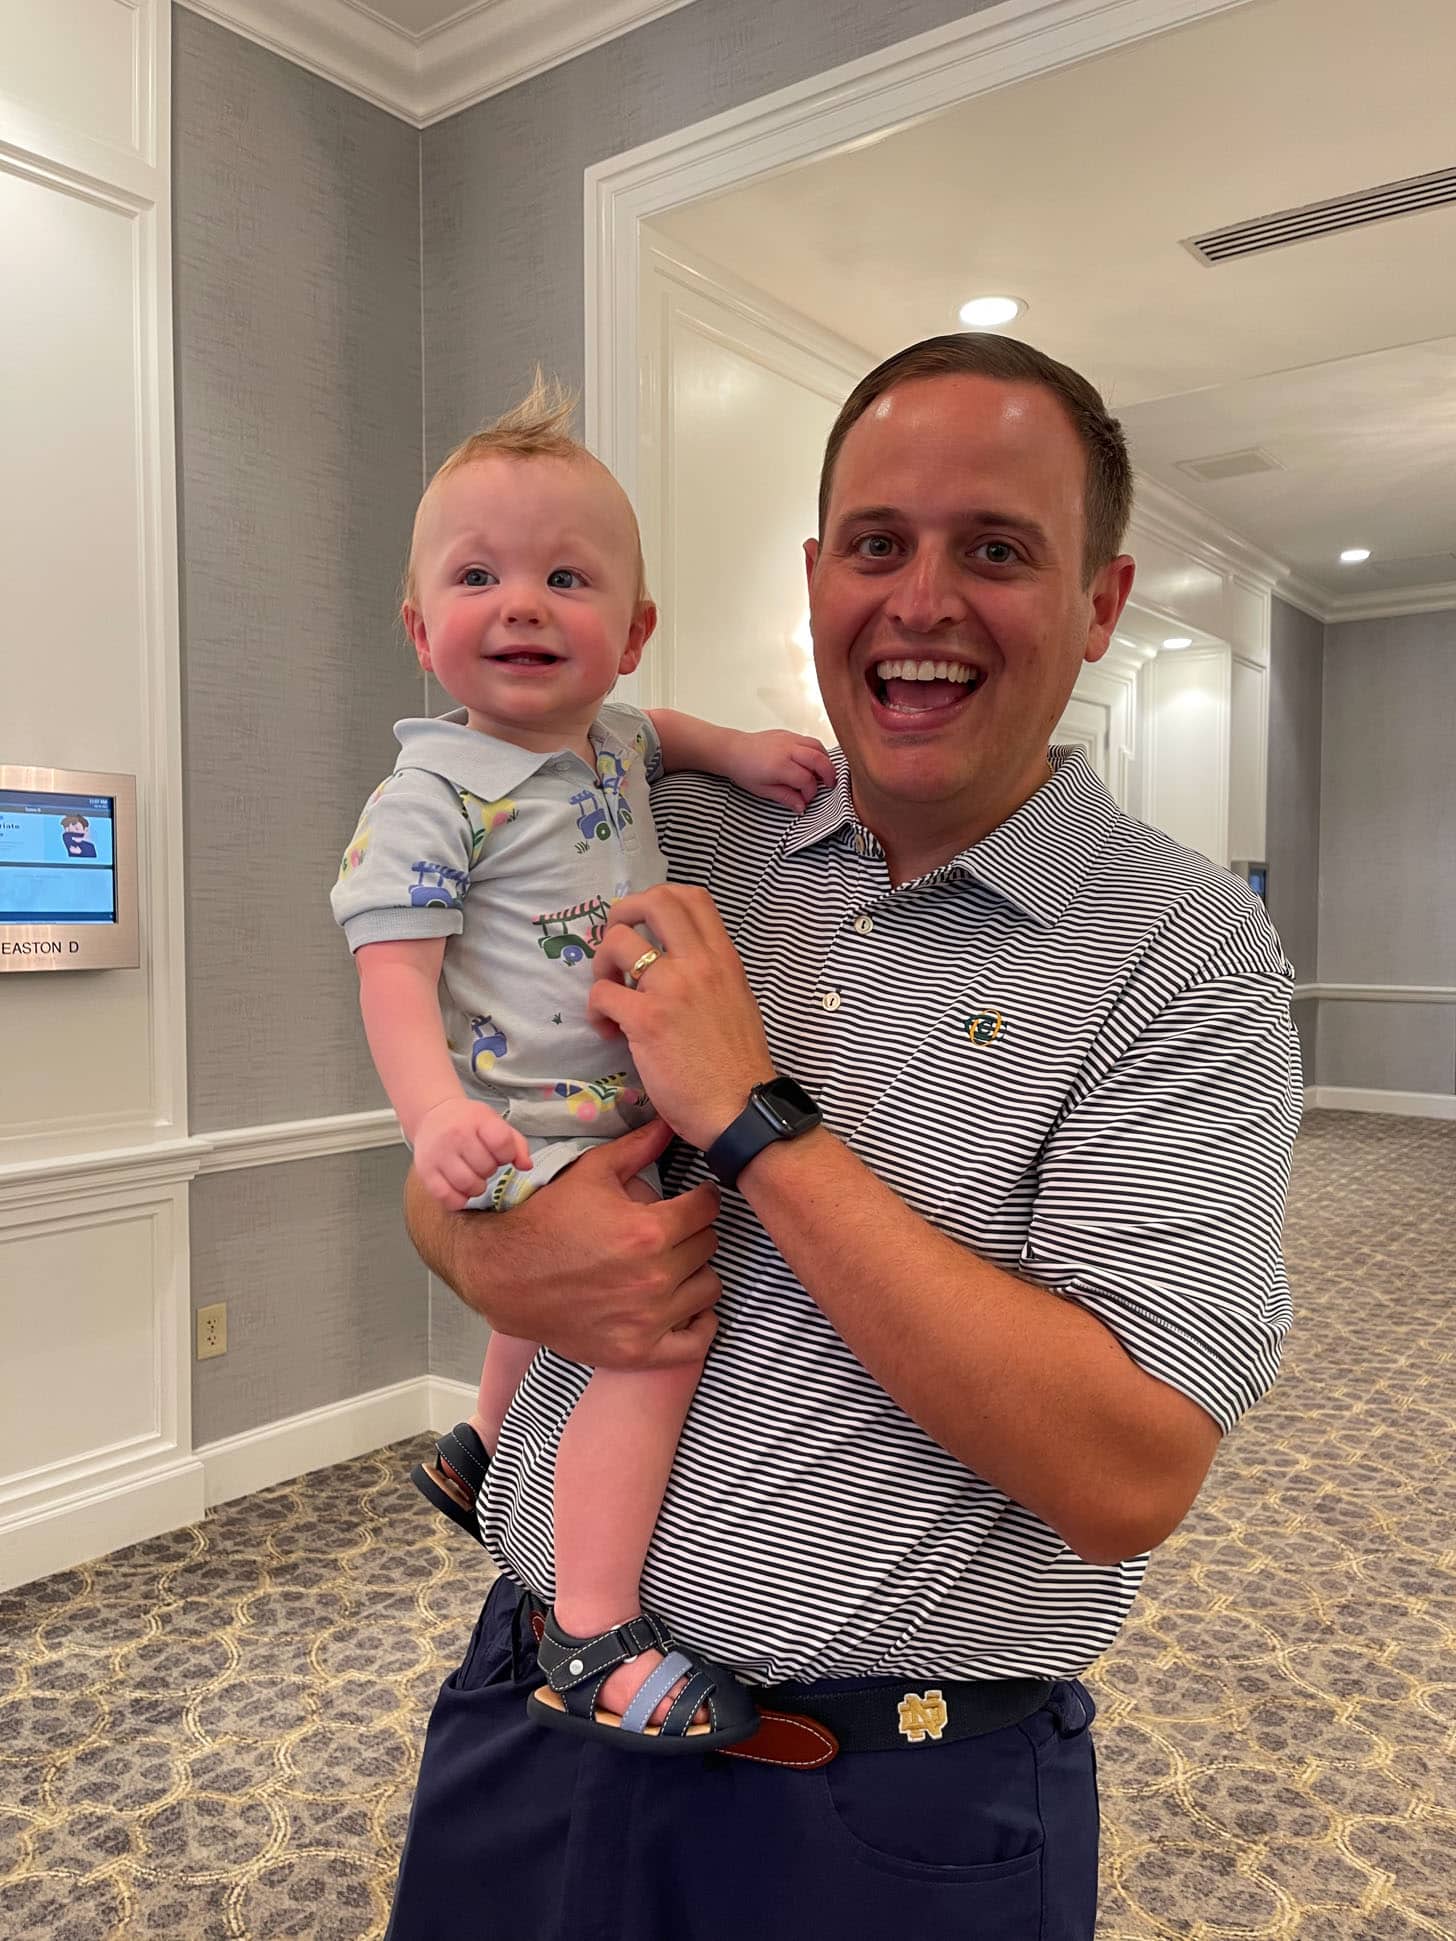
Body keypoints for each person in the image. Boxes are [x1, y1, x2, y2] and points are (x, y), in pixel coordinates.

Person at [383, 334, 1302, 1941]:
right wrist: (481, 1244)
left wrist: (754, 1121)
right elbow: (455, 1143)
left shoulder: (1188, 951)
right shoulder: (663, 822)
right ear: (817, 577)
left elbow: (1129, 1468)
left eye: (997, 550)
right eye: (878, 544)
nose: (922, 600)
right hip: (527, 1706)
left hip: (879, 1813)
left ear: (1100, 601)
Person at [331, 378, 832, 1750]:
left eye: (567, 578)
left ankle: (481, 1448)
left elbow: (666, 733)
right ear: (420, 628)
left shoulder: (611, 737)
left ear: (632, 631)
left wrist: (741, 747)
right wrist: (431, 1115)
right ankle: (594, 1625)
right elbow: (392, 971)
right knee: (652, 1338)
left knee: (555, 1291)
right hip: (520, 1121)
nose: (524, 605)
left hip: (609, 1108)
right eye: (477, 577)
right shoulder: (431, 794)